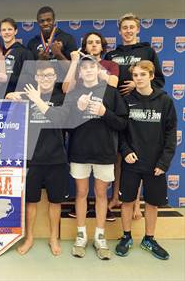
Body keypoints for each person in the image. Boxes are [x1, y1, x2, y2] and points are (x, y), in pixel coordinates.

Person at [105, 13, 165, 219]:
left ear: (138, 29)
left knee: (136, 153)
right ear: (120, 31)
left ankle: (135, 203)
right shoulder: (112, 55)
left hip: (140, 107)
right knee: (118, 154)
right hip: (117, 108)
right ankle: (116, 197)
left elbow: (159, 81)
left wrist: (135, 84)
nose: (128, 31)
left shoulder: (147, 50)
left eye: (132, 27)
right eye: (125, 28)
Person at [6, 62, 69, 256]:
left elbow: (59, 120)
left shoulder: (62, 97)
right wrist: (9, 96)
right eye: (42, 76)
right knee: (31, 201)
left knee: (55, 201)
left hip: (56, 158)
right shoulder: (27, 95)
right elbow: (6, 109)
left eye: (50, 76)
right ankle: (30, 237)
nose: (46, 79)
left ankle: (53, 238)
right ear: (36, 78)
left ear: (55, 77)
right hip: (31, 158)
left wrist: (38, 99)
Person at [116, 61, 177, 260]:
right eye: (135, 75)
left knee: (152, 203)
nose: (139, 78)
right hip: (132, 162)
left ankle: (149, 239)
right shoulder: (126, 100)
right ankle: (126, 237)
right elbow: (121, 132)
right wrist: (125, 151)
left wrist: (164, 163)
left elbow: (170, 134)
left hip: (155, 165)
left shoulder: (165, 101)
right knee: (127, 201)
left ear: (151, 76)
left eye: (143, 74)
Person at [68, 57, 127, 260]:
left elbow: (122, 123)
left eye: (92, 66)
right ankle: (81, 235)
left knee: (101, 194)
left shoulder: (111, 92)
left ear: (98, 69)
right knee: (81, 192)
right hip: (80, 152)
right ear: (80, 72)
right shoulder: (74, 93)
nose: (88, 70)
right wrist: (79, 110)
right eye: (84, 67)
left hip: (104, 153)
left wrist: (104, 112)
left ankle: (100, 236)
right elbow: (65, 125)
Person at [63, 32, 120, 222]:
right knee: (81, 191)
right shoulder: (78, 78)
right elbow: (66, 91)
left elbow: (112, 85)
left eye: (97, 42)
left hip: (104, 144)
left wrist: (99, 71)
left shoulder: (109, 73)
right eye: (90, 42)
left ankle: (100, 232)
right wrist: (74, 63)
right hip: (81, 145)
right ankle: (82, 227)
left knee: (101, 192)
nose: (94, 45)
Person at [0, 18, 34, 96]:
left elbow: (30, 78)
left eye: (10, 29)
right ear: (0, 33)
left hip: (17, 98)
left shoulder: (25, 52)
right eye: (3, 30)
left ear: (15, 31)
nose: (6, 32)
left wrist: (8, 78)